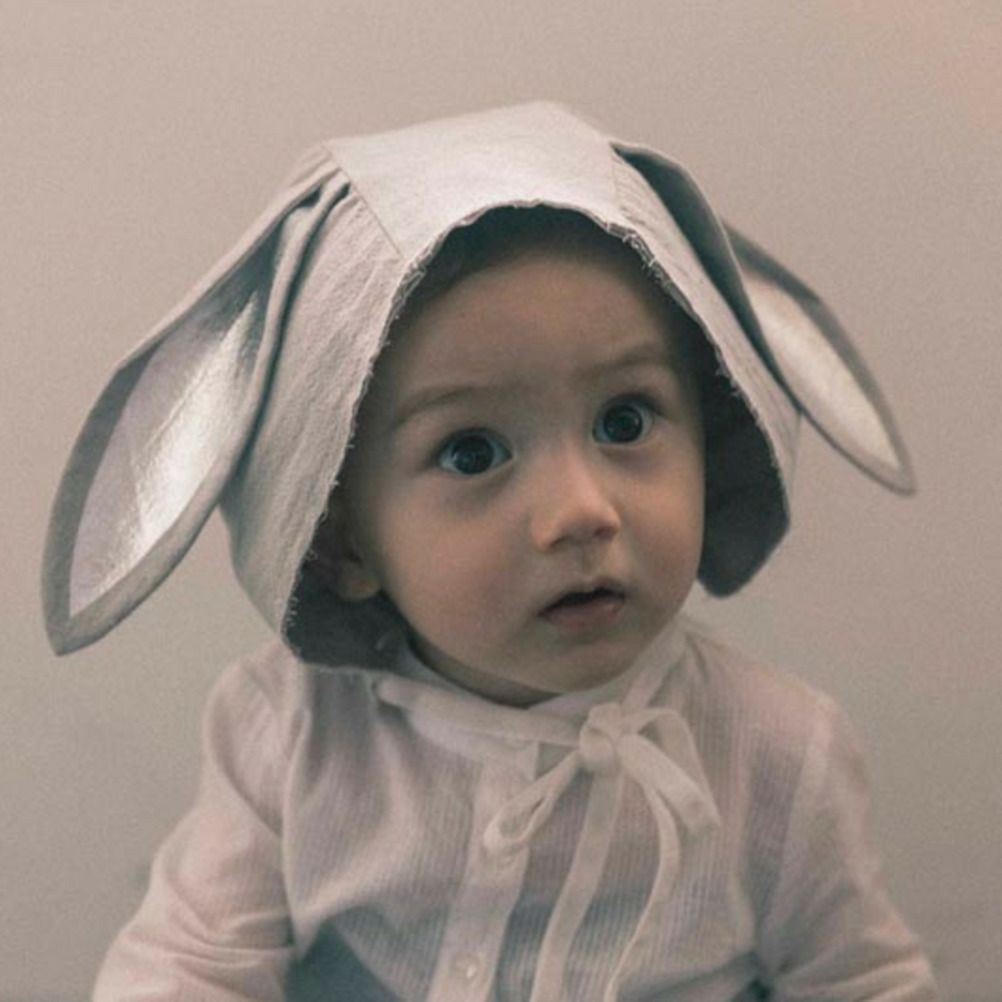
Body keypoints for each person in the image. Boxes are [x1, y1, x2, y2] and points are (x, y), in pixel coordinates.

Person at [43, 102, 938, 999]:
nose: (581, 511)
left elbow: (860, 980)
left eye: (625, 421)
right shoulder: (289, 735)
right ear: (339, 538)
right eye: (472, 453)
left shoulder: (776, 754)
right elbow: (188, 966)